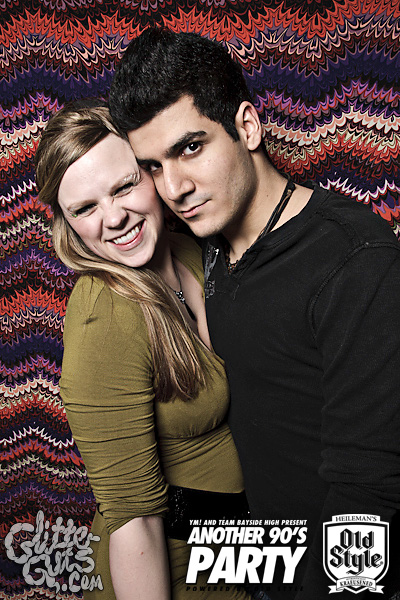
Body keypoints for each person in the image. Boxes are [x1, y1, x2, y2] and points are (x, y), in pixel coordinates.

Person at [108, 28, 400, 599]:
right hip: (269, 570)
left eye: (190, 148)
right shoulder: (207, 246)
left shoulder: (355, 262)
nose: (175, 187)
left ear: (247, 127)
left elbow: (370, 497)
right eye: (153, 167)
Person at [34, 102, 255, 600]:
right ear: (68, 223)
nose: (114, 218)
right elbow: (134, 520)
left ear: (153, 173)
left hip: (236, 558)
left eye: (123, 186)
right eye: (85, 209)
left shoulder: (191, 250)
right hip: (170, 571)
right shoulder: (103, 313)